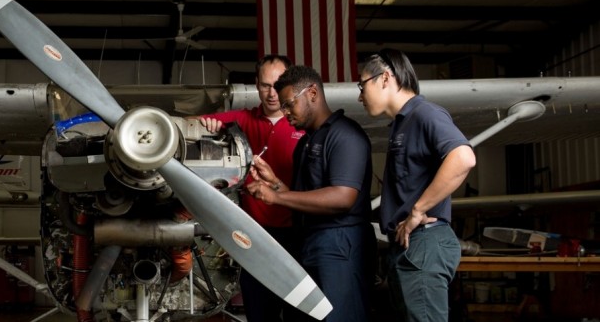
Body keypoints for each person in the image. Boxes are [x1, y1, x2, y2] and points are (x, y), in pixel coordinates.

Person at [247, 65, 376, 322]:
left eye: (289, 105)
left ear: (313, 94)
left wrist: (278, 198)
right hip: (309, 243)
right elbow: (304, 197)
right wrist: (275, 184)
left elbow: (342, 197)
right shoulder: (307, 141)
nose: (284, 113)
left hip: (341, 244)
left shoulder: (345, 135)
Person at [358, 48, 476, 322]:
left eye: (362, 85)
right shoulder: (401, 124)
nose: (360, 95)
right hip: (409, 246)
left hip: (424, 241)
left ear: (385, 78)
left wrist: (417, 211)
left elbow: (463, 157)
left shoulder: (424, 114)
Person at [197, 54, 303, 322]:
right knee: (259, 312)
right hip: (253, 237)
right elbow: (193, 122)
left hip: (297, 234)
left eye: (277, 85)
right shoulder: (242, 120)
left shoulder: (302, 125)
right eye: (265, 85)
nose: (271, 93)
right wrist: (208, 124)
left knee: (298, 312)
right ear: (256, 85)